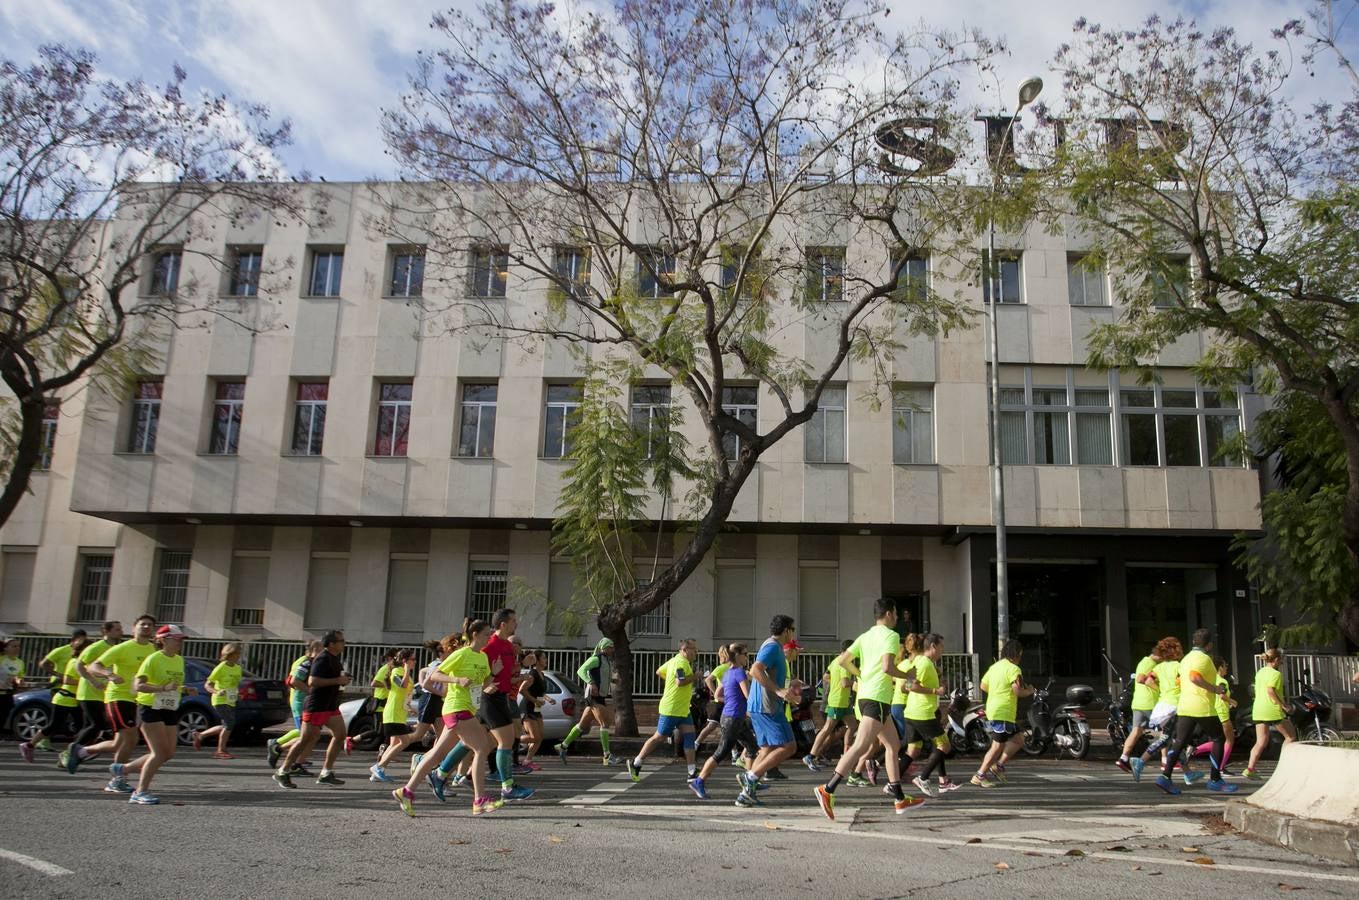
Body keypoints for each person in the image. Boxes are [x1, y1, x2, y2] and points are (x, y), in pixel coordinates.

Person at [814, 600, 924, 820]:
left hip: (866, 696)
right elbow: (887, 667)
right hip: (877, 699)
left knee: (893, 745)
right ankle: (828, 789)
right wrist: (908, 676)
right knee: (860, 746)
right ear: (889, 614)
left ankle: (900, 799)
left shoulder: (864, 636)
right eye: (895, 613)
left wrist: (861, 674)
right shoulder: (891, 637)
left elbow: (844, 660)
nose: (896, 617)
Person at [395, 621, 501, 816]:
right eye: (487, 634)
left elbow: (482, 683)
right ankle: (479, 800)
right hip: (456, 708)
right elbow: (435, 675)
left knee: (437, 754)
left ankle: (406, 791)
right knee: (482, 747)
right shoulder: (461, 654)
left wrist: (493, 673)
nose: (489, 637)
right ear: (475, 635)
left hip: (467, 709)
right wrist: (456, 679)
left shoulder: (483, 657)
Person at [68, 614, 158, 791]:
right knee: (131, 738)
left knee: (119, 743)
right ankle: (117, 780)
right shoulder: (123, 648)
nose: (146, 627)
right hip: (118, 697)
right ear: (134, 628)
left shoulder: (153, 650)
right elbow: (94, 666)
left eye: (150, 625)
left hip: (137, 698)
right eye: (142, 624)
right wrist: (109, 674)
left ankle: (82, 751)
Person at [1154, 628, 1237, 796]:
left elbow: (1182, 680)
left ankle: (1165, 777)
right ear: (1209, 645)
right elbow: (1194, 677)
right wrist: (1215, 688)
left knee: (1179, 742)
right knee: (1219, 738)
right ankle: (1215, 780)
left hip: (1185, 706)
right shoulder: (1203, 658)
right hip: (1202, 706)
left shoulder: (1186, 659)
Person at [273, 630, 350, 789]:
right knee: (305, 740)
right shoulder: (322, 658)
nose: (344, 643)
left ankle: (326, 773)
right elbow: (312, 681)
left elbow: (333, 680)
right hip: (317, 706)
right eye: (341, 641)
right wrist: (338, 680)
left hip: (330, 706)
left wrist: (342, 681)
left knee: (340, 734)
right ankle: (282, 771)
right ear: (332, 644)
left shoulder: (334, 659)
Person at [127, 625, 194, 804]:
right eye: (176, 639)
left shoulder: (179, 660)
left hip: (170, 708)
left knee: (168, 753)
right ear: (163, 640)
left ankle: (124, 769)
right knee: (158, 753)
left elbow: (174, 684)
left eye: (181, 639)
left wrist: (184, 689)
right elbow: (138, 686)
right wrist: (161, 688)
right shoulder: (153, 659)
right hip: (150, 707)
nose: (180, 642)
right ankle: (140, 792)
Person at [740, 615, 800, 806]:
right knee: (789, 746)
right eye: (793, 629)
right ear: (786, 631)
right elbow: (756, 669)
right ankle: (751, 777)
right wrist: (779, 691)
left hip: (760, 706)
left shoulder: (774, 647)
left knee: (767, 748)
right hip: (767, 707)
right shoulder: (773, 646)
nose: (794, 634)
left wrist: (786, 689)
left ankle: (746, 794)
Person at [626, 638, 699, 789]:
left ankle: (691, 772)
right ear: (684, 650)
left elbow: (659, 671)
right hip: (671, 708)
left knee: (690, 736)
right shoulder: (680, 663)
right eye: (694, 650)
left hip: (683, 709)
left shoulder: (673, 661)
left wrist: (670, 681)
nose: (696, 652)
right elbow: (680, 682)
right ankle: (636, 762)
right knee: (659, 737)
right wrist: (695, 676)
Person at [691, 643, 760, 804]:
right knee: (721, 752)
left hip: (732, 717)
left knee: (752, 748)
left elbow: (717, 694)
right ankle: (699, 781)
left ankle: (751, 782)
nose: (747, 657)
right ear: (737, 656)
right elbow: (748, 696)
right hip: (733, 718)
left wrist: (730, 701)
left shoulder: (728, 673)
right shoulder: (740, 673)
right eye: (745, 654)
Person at [60, 620, 122, 770]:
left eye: (120, 629)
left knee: (89, 725)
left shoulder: (116, 648)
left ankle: (68, 756)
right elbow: (79, 665)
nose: (120, 632)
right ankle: (72, 751)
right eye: (117, 629)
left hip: (103, 694)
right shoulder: (96, 647)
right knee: (96, 724)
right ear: (106, 632)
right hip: (88, 692)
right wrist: (93, 681)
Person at [971, 639, 1032, 788]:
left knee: (1019, 739)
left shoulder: (994, 667)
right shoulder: (1014, 669)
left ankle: (998, 766)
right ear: (1017, 654)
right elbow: (1017, 691)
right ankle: (980, 774)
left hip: (993, 709)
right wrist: (1030, 690)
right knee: (997, 745)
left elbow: (983, 685)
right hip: (1003, 711)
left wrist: (997, 691)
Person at [903, 633, 958, 796]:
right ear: (932, 646)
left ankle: (893, 783)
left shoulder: (919, 660)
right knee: (944, 746)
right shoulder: (925, 663)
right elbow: (910, 686)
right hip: (923, 713)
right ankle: (923, 777)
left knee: (913, 751)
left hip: (912, 712)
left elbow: (907, 685)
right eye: (941, 647)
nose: (942, 650)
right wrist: (935, 690)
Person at [21, 634, 87, 762]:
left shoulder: (83, 663)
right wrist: (86, 682)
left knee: (82, 727)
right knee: (53, 726)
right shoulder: (74, 662)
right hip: (65, 698)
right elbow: (67, 680)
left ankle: (72, 753)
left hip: (74, 700)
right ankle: (29, 745)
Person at [1131, 637, 1186, 783]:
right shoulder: (1178, 666)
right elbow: (1183, 682)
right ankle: (1141, 761)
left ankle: (1188, 772)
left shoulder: (1158, 667)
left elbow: (1148, 680)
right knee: (1173, 738)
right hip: (1175, 705)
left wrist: (1161, 689)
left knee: (1172, 738)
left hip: (1163, 705)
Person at [558, 637, 618, 765]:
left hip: (600, 696)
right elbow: (581, 671)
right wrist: (591, 682)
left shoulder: (606, 660)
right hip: (593, 696)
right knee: (605, 723)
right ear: (604, 647)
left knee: (582, 725)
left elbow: (602, 676)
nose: (613, 649)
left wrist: (613, 681)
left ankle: (563, 746)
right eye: (610, 647)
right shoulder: (596, 658)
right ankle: (607, 756)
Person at [267, 640, 323, 771]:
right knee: (306, 734)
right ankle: (280, 748)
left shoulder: (317, 662)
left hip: (311, 702)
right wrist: (310, 691)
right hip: (300, 702)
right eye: (322, 648)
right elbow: (291, 681)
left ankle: (295, 759)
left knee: (311, 734)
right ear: (312, 649)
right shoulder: (303, 662)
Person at [1244, 648, 1294, 779]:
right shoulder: (1276, 674)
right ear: (1276, 660)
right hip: (1272, 709)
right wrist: (1283, 705)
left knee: (1261, 741)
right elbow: (1271, 691)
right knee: (1290, 737)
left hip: (1259, 709)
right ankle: (1283, 766)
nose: (1281, 662)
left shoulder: (1260, 672)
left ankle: (1250, 769)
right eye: (1280, 660)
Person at [806, 639, 856, 770]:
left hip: (844, 701)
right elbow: (845, 683)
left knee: (852, 726)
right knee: (827, 729)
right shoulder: (845, 663)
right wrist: (856, 684)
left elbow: (825, 677)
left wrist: (835, 681)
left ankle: (846, 755)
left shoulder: (835, 661)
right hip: (838, 701)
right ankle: (810, 756)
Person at [370, 649, 418, 782]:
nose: (415, 662)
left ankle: (377, 772)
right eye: (412, 659)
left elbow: (405, 694)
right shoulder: (397, 671)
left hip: (400, 713)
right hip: (392, 714)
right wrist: (407, 669)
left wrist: (409, 707)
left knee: (394, 743)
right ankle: (379, 767)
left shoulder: (405, 674)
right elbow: (402, 686)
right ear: (405, 661)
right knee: (405, 741)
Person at [1115, 641, 1162, 773]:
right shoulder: (1150, 663)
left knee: (1136, 731)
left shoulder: (1143, 661)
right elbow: (1141, 679)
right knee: (1166, 731)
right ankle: (1166, 761)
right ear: (1159, 655)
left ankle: (1123, 758)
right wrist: (1158, 689)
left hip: (1138, 702)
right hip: (1150, 702)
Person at [194, 642, 244, 759]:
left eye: (239, 654)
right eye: (236, 653)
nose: (238, 656)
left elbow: (234, 685)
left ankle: (200, 735)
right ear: (229, 654)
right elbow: (208, 684)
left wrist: (238, 693)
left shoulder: (238, 668)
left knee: (226, 725)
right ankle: (220, 750)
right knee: (229, 723)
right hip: (220, 700)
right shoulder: (221, 667)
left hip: (230, 700)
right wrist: (216, 691)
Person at [1191, 656, 1236, 773]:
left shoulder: (1211, 679)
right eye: (1225, 666)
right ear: (1220, 667)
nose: (1227, 668)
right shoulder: (1222, 680)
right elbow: (1222, 695)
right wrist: (1232, 701)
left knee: (1219, 740)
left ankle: (1194, 750)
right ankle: (1221, 767)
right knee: (1229, 740)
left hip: (1215, 711)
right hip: (1222, 713)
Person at [348, 649, 396, 755]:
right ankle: (352, 740)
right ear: (390, 659)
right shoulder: (385, 669)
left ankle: (386, 753)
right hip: (380, 704)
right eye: (396, 658)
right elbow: (373, 683)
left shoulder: (394, 670)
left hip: (388, 704)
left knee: (387, 731)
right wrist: (388, 685)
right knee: (378, 731)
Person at [517, 650, 554, 770]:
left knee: (540, 736)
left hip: (536, 708)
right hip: (527, 708)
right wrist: (534, 701)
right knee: (534, 737)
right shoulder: (532, 674)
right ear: (537, 660)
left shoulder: (541, 674)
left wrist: (548, 699)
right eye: (543, 658)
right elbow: (522, 690)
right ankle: (512, 740)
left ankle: (527, 760)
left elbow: (541, 692)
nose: (546, 660)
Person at [696, 645, 732, 747]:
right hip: (723, 701)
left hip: (727, 700)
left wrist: (715, 693)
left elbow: (708, 679)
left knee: (730, 727)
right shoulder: (723, 668)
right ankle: (696, 743)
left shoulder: (729, 667)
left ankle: (696, 743)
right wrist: (715, 692)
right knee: (714, 725)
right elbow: (708, 679)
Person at [38, 629, 86, 698]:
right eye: (80, 640)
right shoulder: (61, 650)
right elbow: (43, 664)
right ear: (73, 639)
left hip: (74, 686)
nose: (82, 643)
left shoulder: (84, 652)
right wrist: (58, 674)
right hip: (58, 685)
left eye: (84, 640)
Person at [0, 638, 26, 738]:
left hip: (7, 694)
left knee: (2, 718)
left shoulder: (20, 662)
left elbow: (19, 676)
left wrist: (19, 681)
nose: (17, 648)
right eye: (14, 646)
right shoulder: (1, 659)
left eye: (18, 646)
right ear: (6, 648)